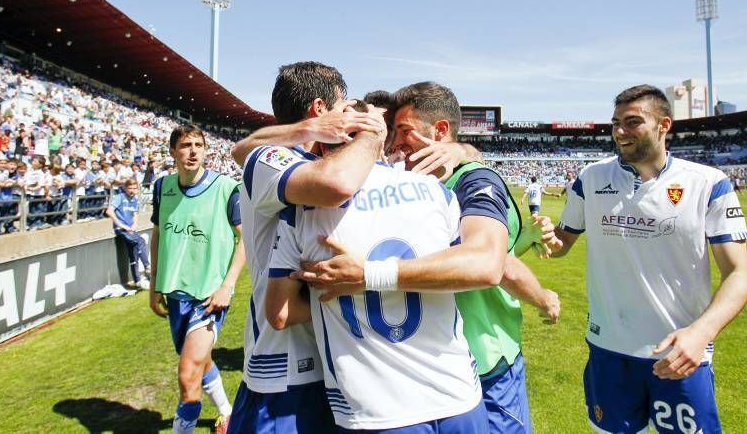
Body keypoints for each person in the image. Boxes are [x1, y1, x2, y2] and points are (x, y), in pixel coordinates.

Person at [296, 82, 562, 434]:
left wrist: (544, 299)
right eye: (392, 133)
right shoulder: (410, 184)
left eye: (404, 132)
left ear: (440, 132)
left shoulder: (472, 181)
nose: (394, 144)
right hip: (429, 368)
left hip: (486, 353)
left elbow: (497, 264)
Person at [266, 114, 488, 432]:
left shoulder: (302, 211)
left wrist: (337, 300)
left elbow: (281, 313)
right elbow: (473, 268)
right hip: (459, 397)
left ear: (324, 146)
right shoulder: (435, 191)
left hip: (377, 410)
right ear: (380, 143)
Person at [552, 85, 747, 434]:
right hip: (608, 349)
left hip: (679, 354)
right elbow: (561, 243)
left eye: (632, 122)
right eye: (615, 123)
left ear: (664, 124)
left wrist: (701, 333)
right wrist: (540, 236)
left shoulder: (709, 184)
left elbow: (738, 273)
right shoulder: (591, 178)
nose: (619, 132)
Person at [226, 62, 388, 434]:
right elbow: (335, 184)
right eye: (342, 107)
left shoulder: (313, 158)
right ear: (319, 109)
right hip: (283, 375)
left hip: (338, 364)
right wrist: (369, 133)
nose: (349, 115)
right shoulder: (273, 159)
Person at [149, 124, 246, 434]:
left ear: (206, 150)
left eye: (198, 145)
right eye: (185, 145)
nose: (192, 151)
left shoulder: (226, 188)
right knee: (199, 362)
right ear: (173, 152)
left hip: (208, 297)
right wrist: (154, 286)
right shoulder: (162, 188)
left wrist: (227, 286)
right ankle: (228, 413)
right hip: (175, 294)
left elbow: (246, 239)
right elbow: (158, 234)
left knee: (187, 374)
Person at [107, 178, 150, 289]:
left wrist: (135, 224)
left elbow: (135, 213)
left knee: (133, 252)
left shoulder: (134, 199)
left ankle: (137, 281)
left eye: (134, 188)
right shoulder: (120, 197)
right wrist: (121, 225)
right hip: (122, 230)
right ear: (125, 188)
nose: (132, 190)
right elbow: (109, 211)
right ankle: (147, 266)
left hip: (130, 230)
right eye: (130, 188)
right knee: (140, 241)